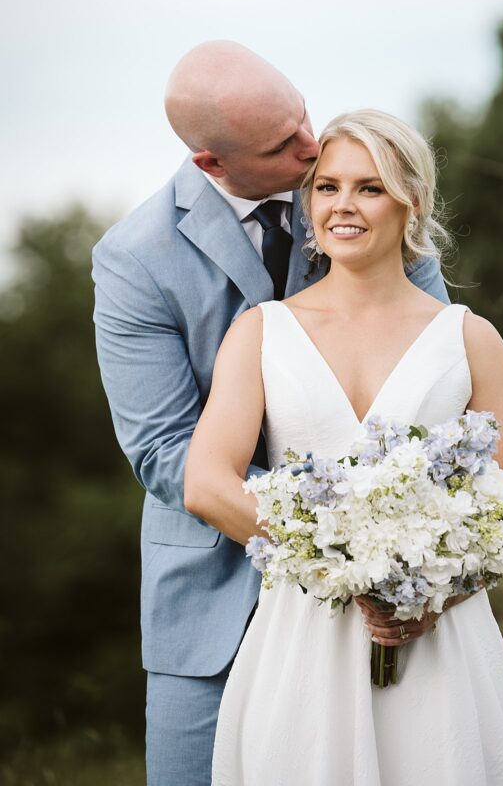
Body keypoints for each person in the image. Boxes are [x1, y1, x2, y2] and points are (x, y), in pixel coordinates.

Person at [91, 44, 448, 786]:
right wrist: (342, 531)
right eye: (281, 145)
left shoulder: (359, 195)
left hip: (383, 600)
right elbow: (164, 451)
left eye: (303, 119)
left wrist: (392, 547)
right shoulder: (134, 259)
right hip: (211, 599)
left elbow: (437, 377)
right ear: (211, 165)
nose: (311, 149)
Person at [185, 109, 503, 785]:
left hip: (439, 637)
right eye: (326, 187)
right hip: (302, 636)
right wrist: (345, 568)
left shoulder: (468, 339)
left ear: (412, 202)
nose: (343, 206)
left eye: (369, 188)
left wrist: (434, 593)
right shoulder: (261, 333)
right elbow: (206, 483)